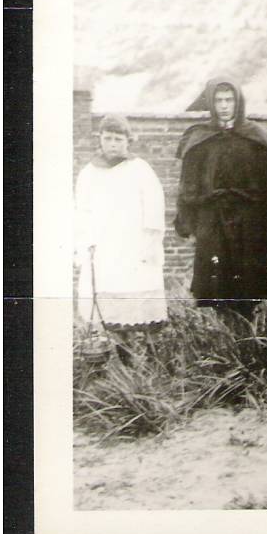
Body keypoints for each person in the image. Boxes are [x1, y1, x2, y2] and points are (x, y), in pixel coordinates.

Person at [174, 77, 267, 322]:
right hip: (213, 222)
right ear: (211, 103)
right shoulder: (200, 138)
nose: (224, 105)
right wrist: (189, 223)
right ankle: (226, 341)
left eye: (229, 99)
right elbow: (187, 185)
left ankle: (250, 338)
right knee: (218, 287)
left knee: (248, 287)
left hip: (248, 223)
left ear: (238, 102)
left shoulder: (254, 137)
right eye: (218, 100)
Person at [75, 115, 167, 362]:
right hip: (106, 250)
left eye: (118, 139)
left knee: (144, 304)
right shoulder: (89, 173)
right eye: (108, 138)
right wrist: (84, 244)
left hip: (136, 248)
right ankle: (123, 361)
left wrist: (150, 243)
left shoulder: (140, 169)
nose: (113, 144)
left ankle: (154, 361)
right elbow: (81, 211)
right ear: (100, 139)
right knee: (114, 309)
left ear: (128, 141)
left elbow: (155, 208)